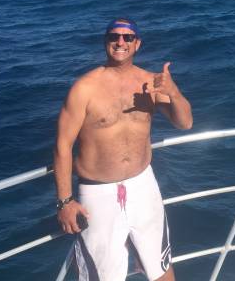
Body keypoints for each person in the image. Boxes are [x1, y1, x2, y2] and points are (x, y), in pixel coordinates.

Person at [54, 18, 193, 281]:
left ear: (137, 44)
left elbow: (185, 123)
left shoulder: (151, 83)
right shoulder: (84, 88)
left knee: (161, 267)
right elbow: (63, 145)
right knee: (103, 276)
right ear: (105, 42)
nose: (120, 42)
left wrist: (173, 92)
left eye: (127, 37)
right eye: (114, 37)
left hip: (143, 186)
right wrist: (65, 201)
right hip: (98, 194)